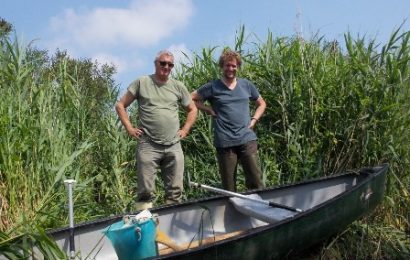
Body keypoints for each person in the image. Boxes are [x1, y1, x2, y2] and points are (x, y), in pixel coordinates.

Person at [115, 50, 197, 210]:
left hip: (173, 144)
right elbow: (120, 105)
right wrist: (130, 128)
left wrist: (185, 129)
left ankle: (171, 224)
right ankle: (145, 225)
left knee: (175, 190)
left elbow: (192, 109)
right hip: (148, 144)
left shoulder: (178, 86)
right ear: (156, 63)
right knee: (145, 191)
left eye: (170, 64)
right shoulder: (142, 82)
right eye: (163, 63)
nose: (166, 67)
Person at [191, 49, 266, 192]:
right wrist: (207, 109)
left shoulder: (246, 85)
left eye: (234, 66)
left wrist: (254, 119)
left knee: (256, 181)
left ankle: (258, 210)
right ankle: (232, 212)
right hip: (225, 141)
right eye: (227, 65)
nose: (231, 69)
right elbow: (189, 98)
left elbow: (261, 103)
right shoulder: (213, 86)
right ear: (222, 66)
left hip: (247, 138)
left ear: (238, 67)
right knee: (229, 187)